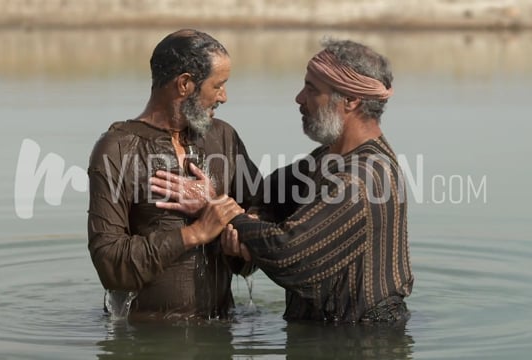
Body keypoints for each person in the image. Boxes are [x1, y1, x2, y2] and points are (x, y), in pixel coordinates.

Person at [157, 39, 414, 323]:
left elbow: (289, 252)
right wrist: (252, 220)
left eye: (312, 90)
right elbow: (269, 192)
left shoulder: (360, 179)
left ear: (350, 100)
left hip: (364, 339)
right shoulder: (329, 157)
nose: (299, 98)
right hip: (326, 334)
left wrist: (214, 207)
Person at [87, 29, 260, 321]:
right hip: (145, 339)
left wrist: (242, 232)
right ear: (185, 84)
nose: (224, 97)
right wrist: (194, 234)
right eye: (218, 86)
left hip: (222, 329)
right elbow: (109, 263)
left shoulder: (224, 137)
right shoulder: (116, 149)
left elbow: (264, 210)